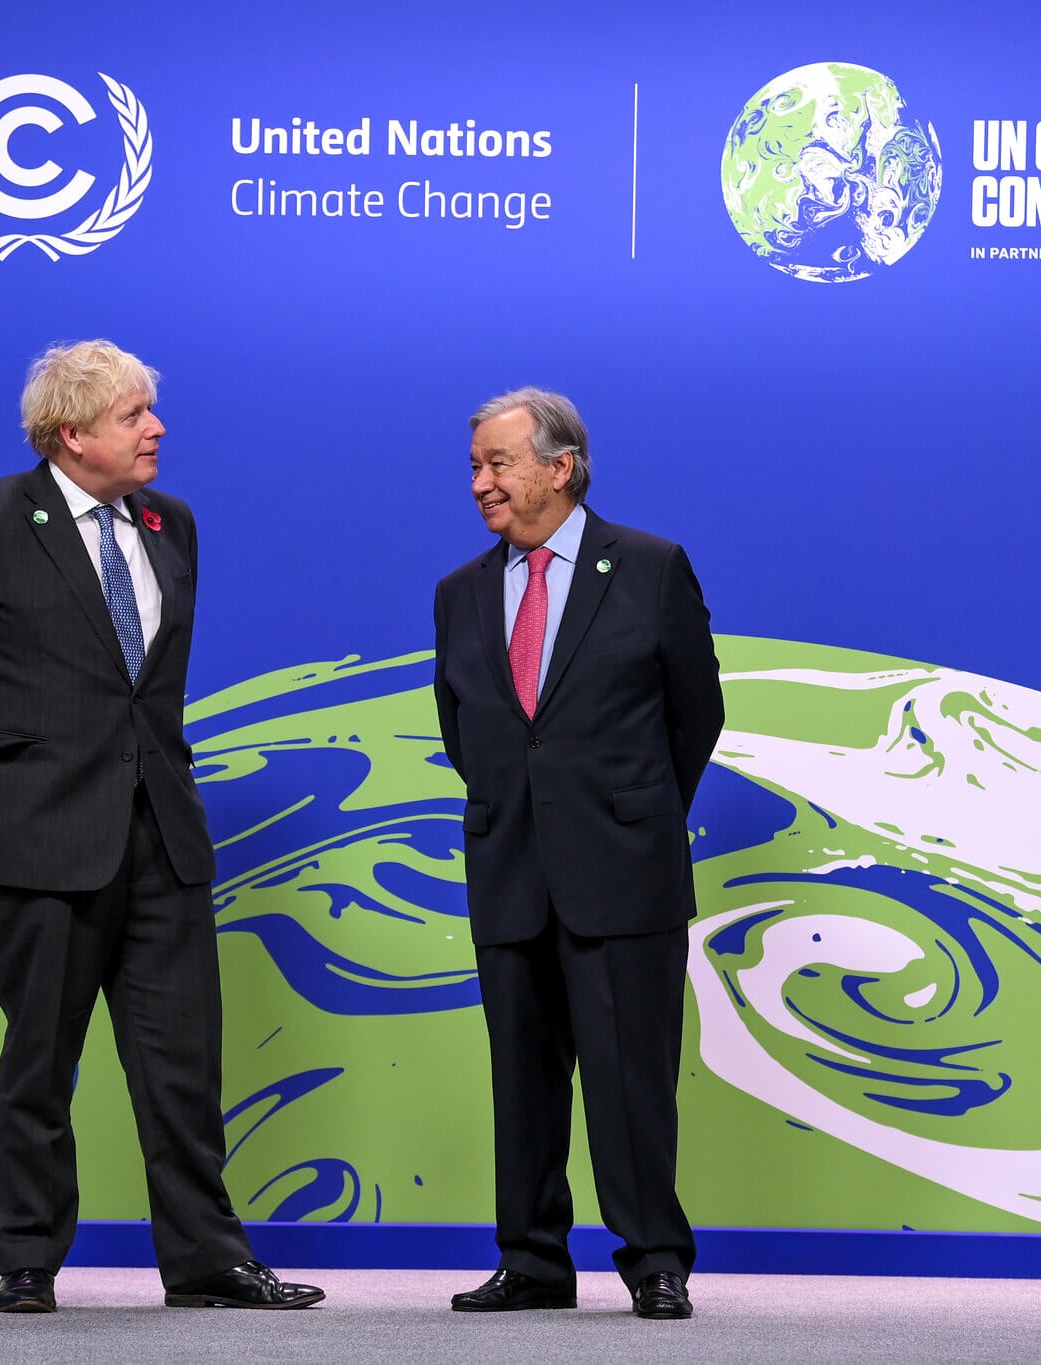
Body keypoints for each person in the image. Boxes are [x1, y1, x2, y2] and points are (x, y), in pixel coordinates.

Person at [0, 340, 322, 1314]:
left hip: (163, 835)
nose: (156, 428)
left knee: (182, 1065)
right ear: (72, 433)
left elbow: (144, 691)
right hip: (39, 841)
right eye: (133, 415)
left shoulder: (174, 524)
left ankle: (208, 1261)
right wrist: (5, 776)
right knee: (40, 1059)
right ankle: (30, 1263)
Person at [432, 387, 724, 1321]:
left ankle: (653, 1261)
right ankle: (531, 1262)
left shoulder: (649, 566)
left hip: (622, 870)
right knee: (520, 1084)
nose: (480, 482)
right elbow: (466, 730)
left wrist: (630, 816)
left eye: (497, 463)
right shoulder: (461, 592)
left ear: (560, 467)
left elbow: (695, 715)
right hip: (509, 869)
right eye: (474, 465)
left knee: (631, 1080)